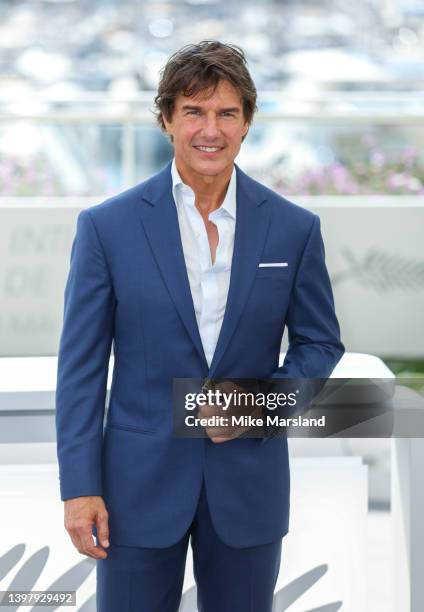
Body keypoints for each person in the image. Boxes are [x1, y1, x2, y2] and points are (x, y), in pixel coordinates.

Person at [55, 40, 344, 612]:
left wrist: (256, 405)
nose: (209, 129)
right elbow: (81, 371)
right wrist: (79, 488)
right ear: (166, 120)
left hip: (247, 488)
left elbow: (320, 341)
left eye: (226, 113)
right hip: (135, 491)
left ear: (247, 123)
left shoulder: (293, 229)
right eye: (193, 111)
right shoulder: (106, 228)